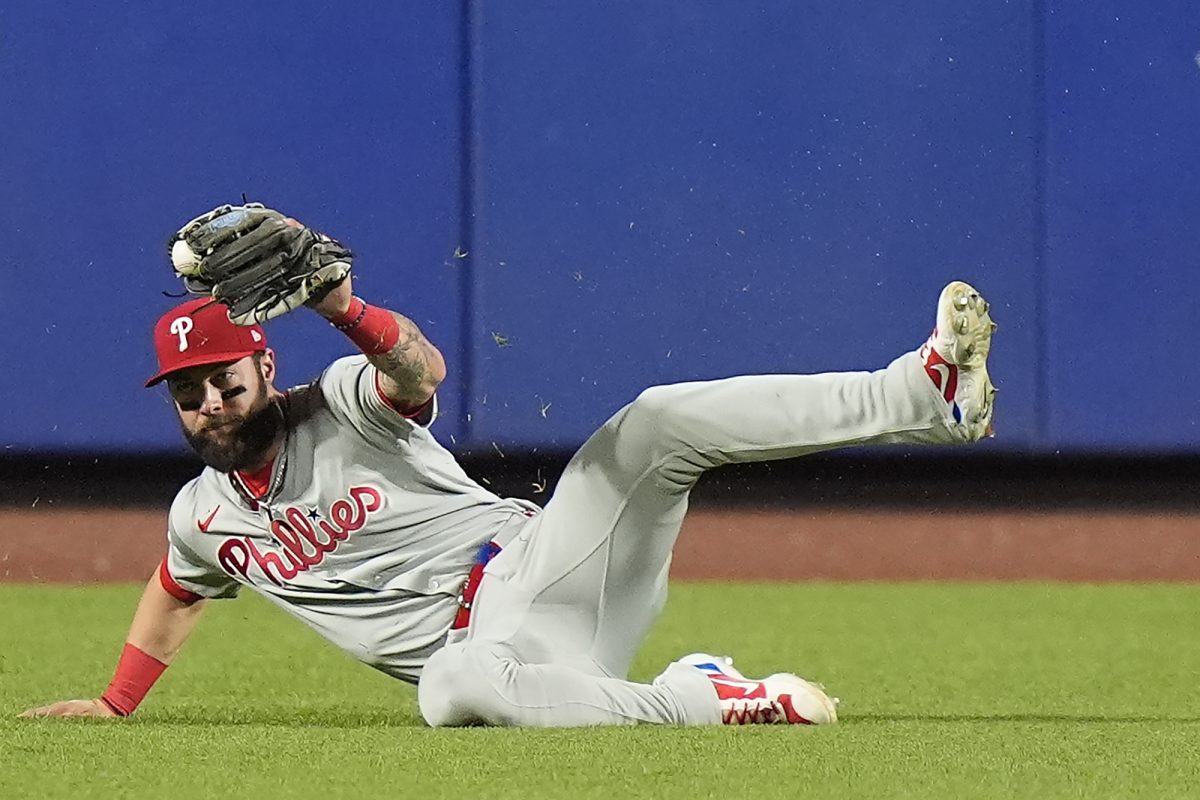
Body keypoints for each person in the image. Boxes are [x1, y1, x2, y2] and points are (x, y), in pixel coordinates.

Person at [20, 271, 995, 727]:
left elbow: (417, 366)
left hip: (543, 566)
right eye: (190, 393)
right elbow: (174, 587)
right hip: (521, 665)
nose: (211, 401)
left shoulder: (341, 401)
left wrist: (342, 307)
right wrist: (116, 700)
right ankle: (700, 689)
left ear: (263, 365)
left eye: (225, 377)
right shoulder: (204, 516)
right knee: (454, 685)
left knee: (652, 421)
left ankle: (922, 392)